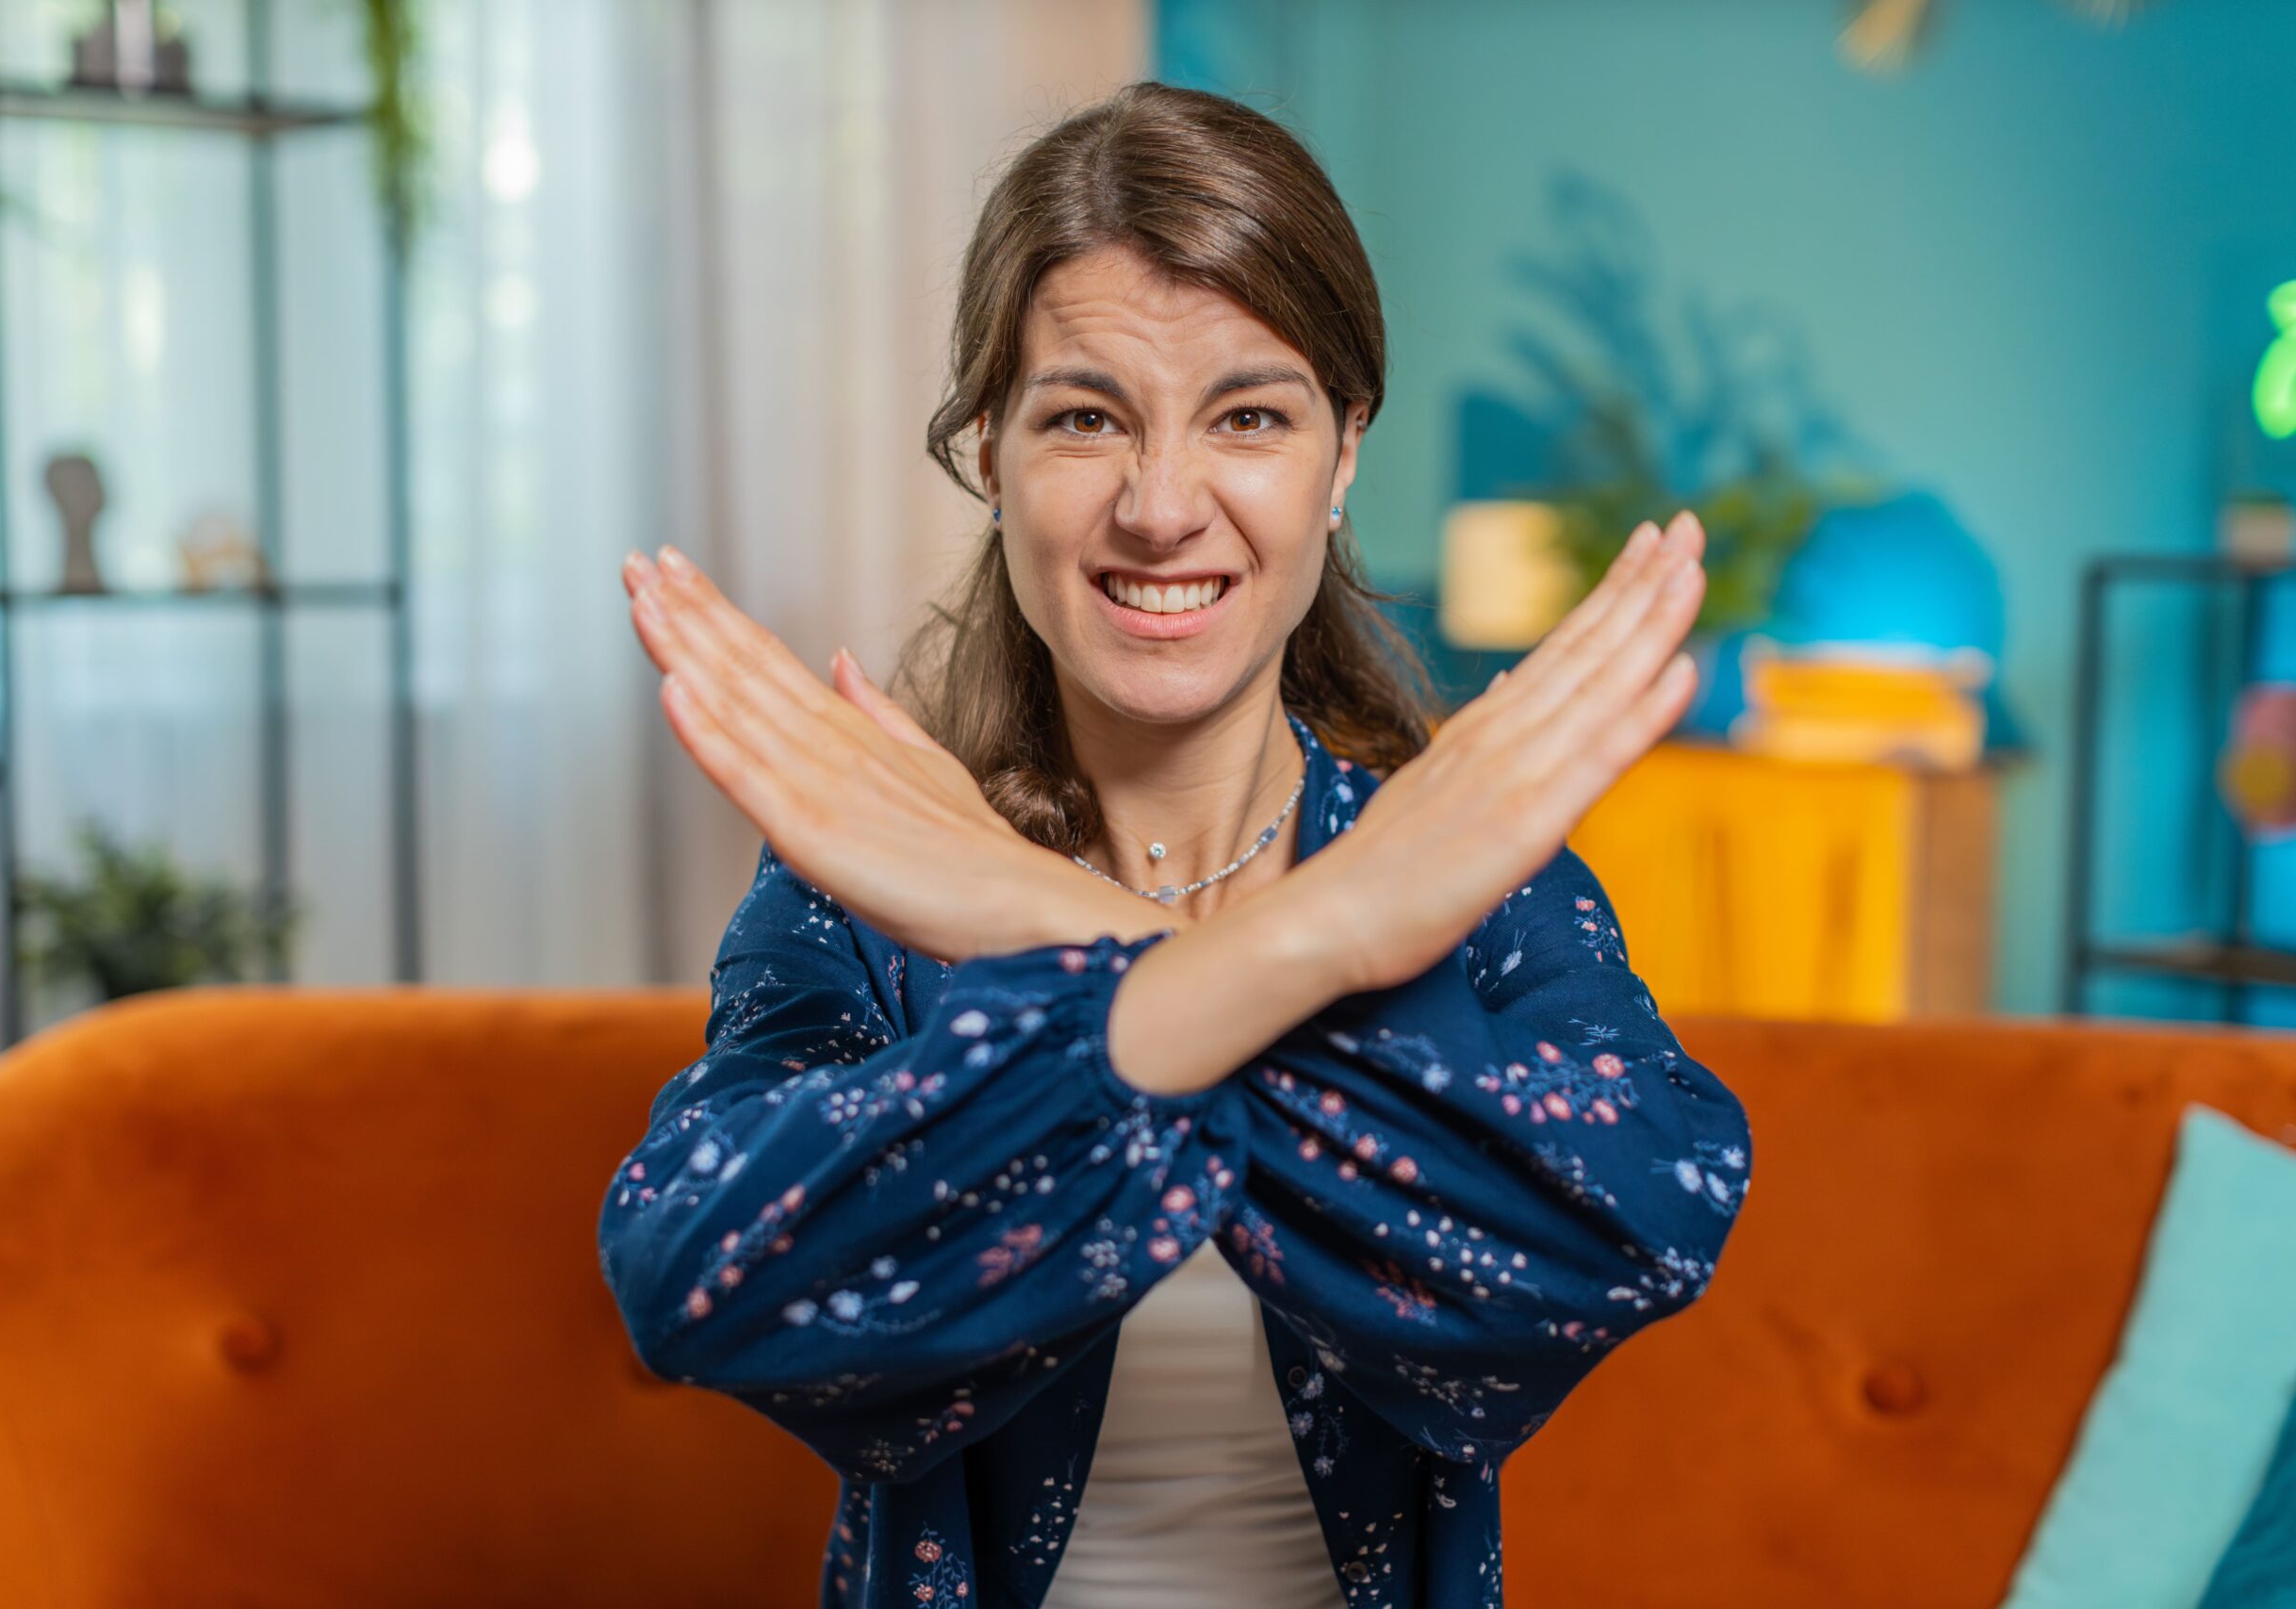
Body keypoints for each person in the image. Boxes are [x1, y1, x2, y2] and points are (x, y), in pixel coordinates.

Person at [597, 79, 1751, 1609]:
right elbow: (702, 1281)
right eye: (1084, 417)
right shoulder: (867, 884)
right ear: (987, 456)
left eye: (1250, 417)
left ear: (1342, 458)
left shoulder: (1463, 873)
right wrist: (1298, 948)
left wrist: (1036, 922)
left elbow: (1630, 1235)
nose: (1159, 506)